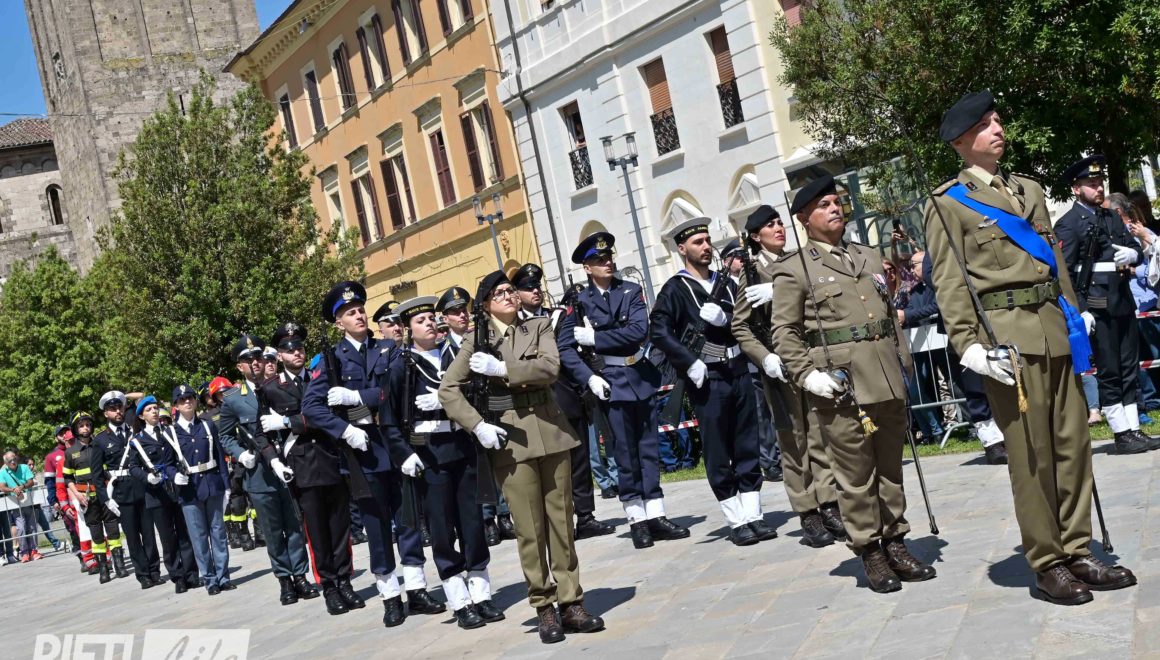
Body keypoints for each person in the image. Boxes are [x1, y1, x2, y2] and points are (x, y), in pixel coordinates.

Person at [925, 90, 1136, 605]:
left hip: (1055, 330)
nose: (998, 128)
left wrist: (1074, 313)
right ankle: (1048, 562)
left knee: (1073, 445)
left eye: (998, 119)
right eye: (986, 123)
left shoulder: (1030, 190)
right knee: (1031, 455)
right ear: (962, 140)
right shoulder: (947, 203)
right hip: (1008, 343)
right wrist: (969, 346)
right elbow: (951, 283)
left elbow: (1054, 262)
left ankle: (1078, 549)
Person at [770, 174, 934, 594]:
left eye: (837, 202)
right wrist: (807, 375)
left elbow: (887, 315)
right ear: (803, 218)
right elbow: (785, 332)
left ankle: (896, 540)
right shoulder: (795, 269)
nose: (835, 209)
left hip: (885, 376)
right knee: (855, 474)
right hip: (842, 387)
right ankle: (870, 550)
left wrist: (904, 363)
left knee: (890, 468)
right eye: (823, 205)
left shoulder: (867, 255)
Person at [439, 271, 605, 645]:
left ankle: (572, 603)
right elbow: (449, 390)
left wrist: (504, 369)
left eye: (511, 290)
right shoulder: (476, 341)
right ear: (485, 304)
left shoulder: (539, 326)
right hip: (511, 441)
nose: (509, 296)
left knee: (562, 523)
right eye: (499, 293)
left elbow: (550, 368)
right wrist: (477, 425)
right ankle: (544, 606)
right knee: (530, 530)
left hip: (551, 431)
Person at [303, 281, 443, 627]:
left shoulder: (388, 349)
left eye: (360, 310)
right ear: (339, 323)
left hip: (394, 442)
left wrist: (357, 398)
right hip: (361, 451)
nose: (359, 315)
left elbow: (394, 390)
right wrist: (344, 430)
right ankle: (390, 595)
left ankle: (416, 589)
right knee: (376, 526)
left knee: (408, 519)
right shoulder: (332, 359)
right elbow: (312, 407)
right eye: (350, 313)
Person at [381, 296, 505, 630]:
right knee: (442, 529)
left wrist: (448, 400)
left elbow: (476, 393)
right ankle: (459, 600)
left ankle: (481, 594)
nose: (429, 324)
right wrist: (404, 454)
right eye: (420, 321)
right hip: (430, 454)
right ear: (408, 329)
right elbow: (389, 421)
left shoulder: (454, 355)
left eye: (430, 318)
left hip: (462, 446)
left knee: (473, 524)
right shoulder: (401, 367)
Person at [559, 233, 687, 549]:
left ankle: (656, 514)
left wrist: (595, 338)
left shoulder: (630, 290)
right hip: (609, 381)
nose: (607, 263)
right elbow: (565, 347)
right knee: (625, 453)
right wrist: (588, 377)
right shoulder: (579, 303)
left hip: (639, 375)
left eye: (609, 257)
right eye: (599, 260)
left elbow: (638, 331)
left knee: (648, 447)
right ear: (587, 267)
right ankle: (636, 519)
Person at [650, 218, 771, 546]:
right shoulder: (675, 288)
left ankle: (754, 514)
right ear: (682, 249)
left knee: (747, 442)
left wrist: (727, 319)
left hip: (738, 368)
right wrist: (688, 362)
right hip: (708, 377)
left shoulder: (727, 284)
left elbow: (750, 321)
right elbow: (658, 331)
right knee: (718, 449)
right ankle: (736, 519)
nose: (706, 247)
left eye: (707, 240)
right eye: (697, 242)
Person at [733, 204, 845, 548]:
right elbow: (741, 326)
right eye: (770, 226)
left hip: (807, 360)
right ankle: (807, 511)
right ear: (756, 237)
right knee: (794, 439)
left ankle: (829, 502)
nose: (779, 228)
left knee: (819, 431)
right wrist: (764, 357)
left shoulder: (797, 262)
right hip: (779, 368)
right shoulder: (752, 273)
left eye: (780, 222)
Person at [1055, 154, 1153, 453]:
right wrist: (1081, 310)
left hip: (1121, 299)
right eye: (1091, 184)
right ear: (1076, 189)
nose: (1098, 188)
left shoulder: (1110, 216)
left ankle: (1134, 428)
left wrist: (1133, 254)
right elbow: (1065, 274)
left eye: (1100, 182)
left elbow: (1134, 246)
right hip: (1097, 306)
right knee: (1110, 370)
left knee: (1129, 366)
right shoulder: (1069, 224)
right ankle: (1121, 432)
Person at [513, 262, 616, 541]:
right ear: (517, 293)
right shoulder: (514, 324)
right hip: (536, 403)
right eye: (528, 288)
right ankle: (558, 522)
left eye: (537, 286)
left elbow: (568, 351)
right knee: (549, 466)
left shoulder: (557, 316)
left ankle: (586, 516)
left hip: (568, 396)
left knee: (579, 459)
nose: (535, 291)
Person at [257, 322, 354, 614]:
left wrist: (290, 422)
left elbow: (331, 416)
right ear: (280, 356)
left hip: (331, 458)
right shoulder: (270, 389)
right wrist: (274, 460)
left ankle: (345, 582)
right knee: (317, 532)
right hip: (301, 465)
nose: (296, 353)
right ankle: (329, 587)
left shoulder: (321, 379)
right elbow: (261, 432)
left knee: (340, 526)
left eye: (299, 347)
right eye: (289, 349)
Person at [219, 334, 315, 607]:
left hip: (290, 464)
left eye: (258, 357)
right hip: (260, 473)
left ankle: (300, 576)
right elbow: (225, 436)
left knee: (295, 524)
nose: (255, 362)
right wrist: (241, 455)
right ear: (240, 366)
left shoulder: (280, 386)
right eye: (248, 359)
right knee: (272, 530)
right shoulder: (233, 399)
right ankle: (284, 579)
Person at [439, 285, 516, 546]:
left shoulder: (483, 338)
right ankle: (487, 519)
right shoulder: (444, 350)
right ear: (445, 318)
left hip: (489, 407)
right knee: (479, 467)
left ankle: (504, 515)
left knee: (496, 462)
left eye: (464, 310)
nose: (462, 315)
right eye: (455, 312)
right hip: (467, 415)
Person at [127, 396, 199, 593]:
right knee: (168, 538)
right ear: (141, 416)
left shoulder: (170, 432)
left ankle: (192, 574)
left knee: (184, 534)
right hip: (156, 494)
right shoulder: (138, 441)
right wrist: (146, 477)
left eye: (155, 408)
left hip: (177, 488)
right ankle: (178, 577)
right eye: (149, 409)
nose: (154, 412)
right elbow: (133, 467)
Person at [170, 384, 236, 595]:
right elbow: (167, 463)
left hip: (212, 484)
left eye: (190, 398)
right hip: (189, 490)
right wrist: (173, 475)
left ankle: (223, 577)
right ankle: (210, 579)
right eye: (182, 400)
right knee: (199, 537)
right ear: (176, 406)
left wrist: (226, 486)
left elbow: (219, 457)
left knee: (218, 533)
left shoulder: (207, 426)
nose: (187, 402)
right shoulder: (171, 433)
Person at [93, 390, 160, 588]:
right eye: (113, 409)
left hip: (143, 487)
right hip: (121, 493)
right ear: (106, 413)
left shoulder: (135, 431)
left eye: (120, 407)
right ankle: (143, 575)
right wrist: (106, 500)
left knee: (149, 534)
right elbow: (97, 475)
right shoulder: (100, 440)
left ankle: (154, 571)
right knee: (132, 537)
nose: (118, 411)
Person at [62, 411, 125, 583]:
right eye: (81, 426)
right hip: (86, 498)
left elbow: (107, 470)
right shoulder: (71, 452)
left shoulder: (100, 445)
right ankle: (103, 569)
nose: (85, 428)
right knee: (96, 533)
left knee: (113, 529)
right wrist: (77, 495)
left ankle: (120, 566)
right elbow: (68, 478)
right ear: (76, 429)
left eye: (88, 425)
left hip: (104, 494)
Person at [0, 450, 41, 562]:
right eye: (10, 460)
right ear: (6, 462)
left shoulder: (24, 467)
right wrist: (13, 489)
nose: (13, 462)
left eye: (14, 459)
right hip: (15, 503)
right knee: (21, 528)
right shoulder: (3, 472)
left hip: (29, 501)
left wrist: (21, 487)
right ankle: (24, 552)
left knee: (32, 527)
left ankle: (34, 551)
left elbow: (31, 482)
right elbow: (2, 487)